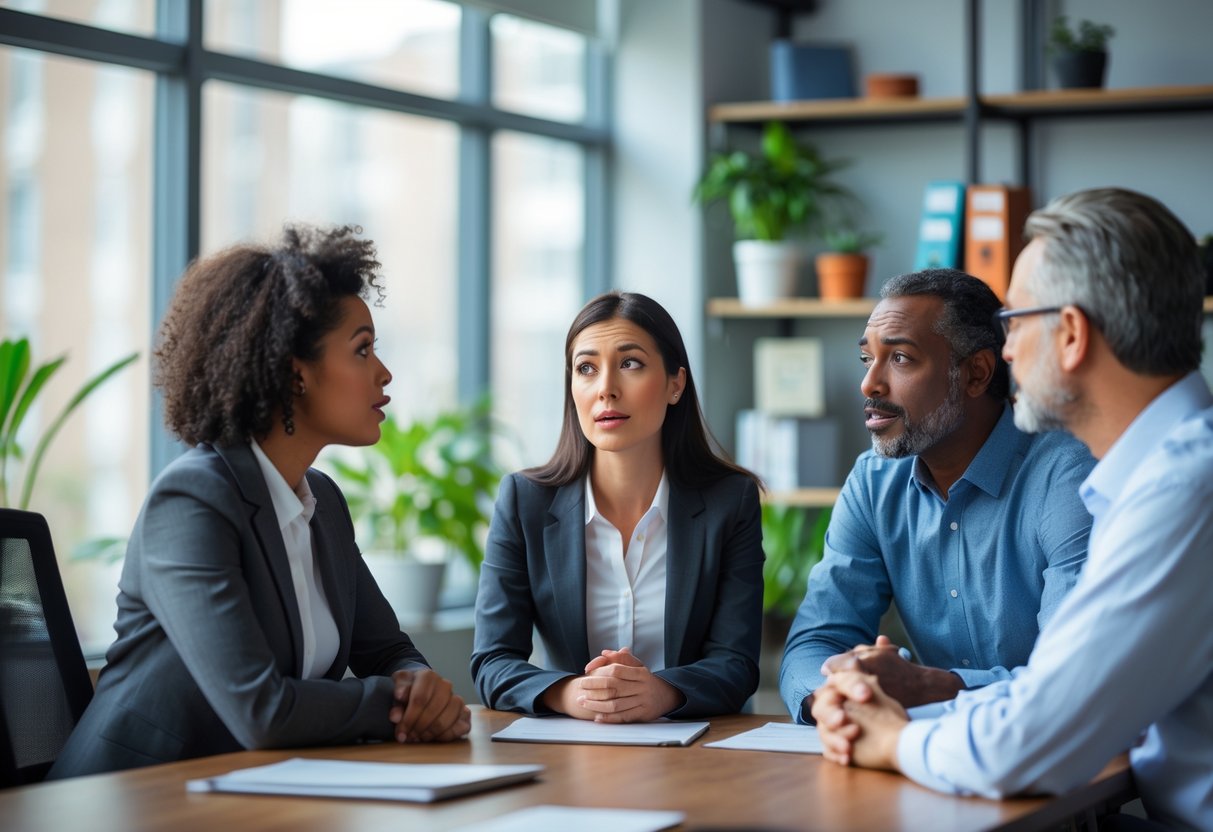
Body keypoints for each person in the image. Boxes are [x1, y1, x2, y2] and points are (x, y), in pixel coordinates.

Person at [813, 188, 1213, 831]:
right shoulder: (1153, 477)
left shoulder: (1185, 492)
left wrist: (892, 739)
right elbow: (1057, 697)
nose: (1003, 354)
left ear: (1073, 334)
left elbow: (1034, 736)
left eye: (1017, 322)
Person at [50, 224, 470, 779]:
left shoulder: (321, 501)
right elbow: (260, 710)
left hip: (250, 788)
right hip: (133, 798)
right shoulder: (193, 500)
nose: (384, 372)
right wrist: (394, 704)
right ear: (296, 372)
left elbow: (387, 649)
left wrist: (419, 685)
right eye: (362, 349)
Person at [780, 269, 1095, 723]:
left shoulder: (1066, 475)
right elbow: (815, 642)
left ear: (977, 373)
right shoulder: (874, 481)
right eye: (867, 358)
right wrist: (829, 696)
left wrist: (931, 687)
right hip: (925, 756)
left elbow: (1072, 678)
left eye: (901, 359)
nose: (869, 384)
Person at [471, 291, 764, 722]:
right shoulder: (524, 501)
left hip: (696, 753)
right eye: (586, 368)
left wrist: (661, 693)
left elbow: (736, 663)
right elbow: (492, 662)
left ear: (675, 384)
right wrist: (574, 694)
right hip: (573, 746)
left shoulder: (730, 501)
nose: (605, 388)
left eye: (630, 363)